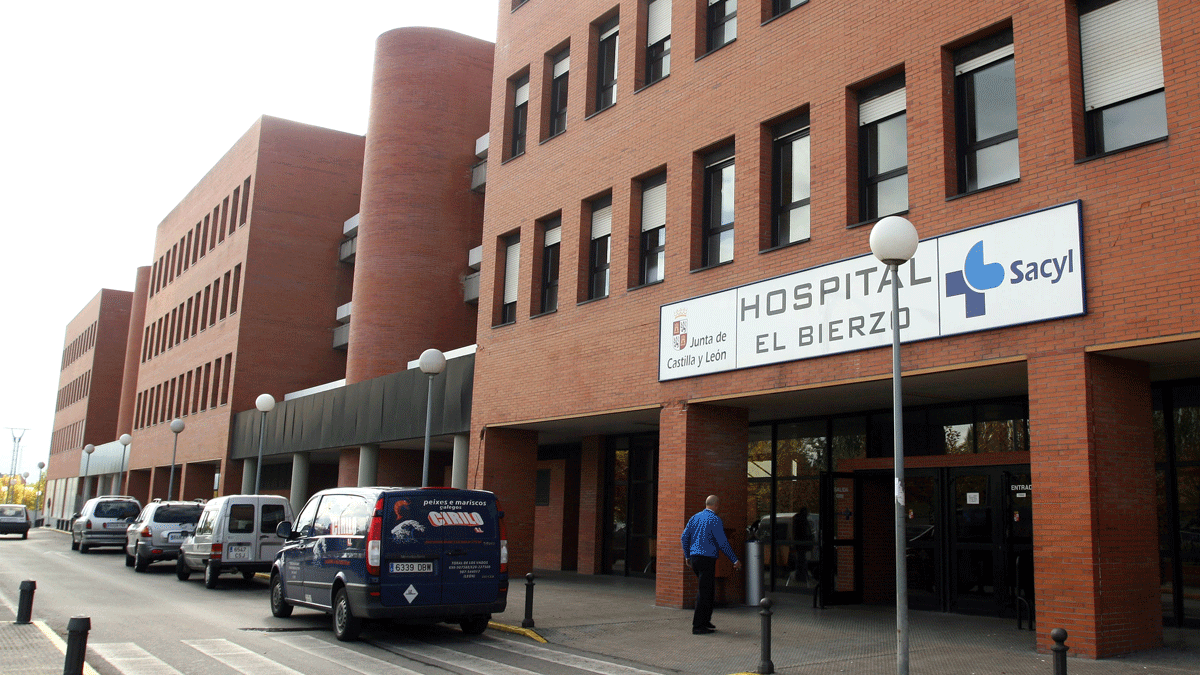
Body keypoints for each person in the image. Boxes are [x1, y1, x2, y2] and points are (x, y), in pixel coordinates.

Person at [680, 495, 742, 634]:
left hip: (695, 558)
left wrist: (687, 555)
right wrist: (734, 560)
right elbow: (723, 543)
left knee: (708, 590)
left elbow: (684, 537)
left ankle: (706, 620)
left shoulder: (695, 517)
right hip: (707, 559)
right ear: (716, 505)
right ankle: (698, 626)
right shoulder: (715, 520)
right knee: (704, 591)